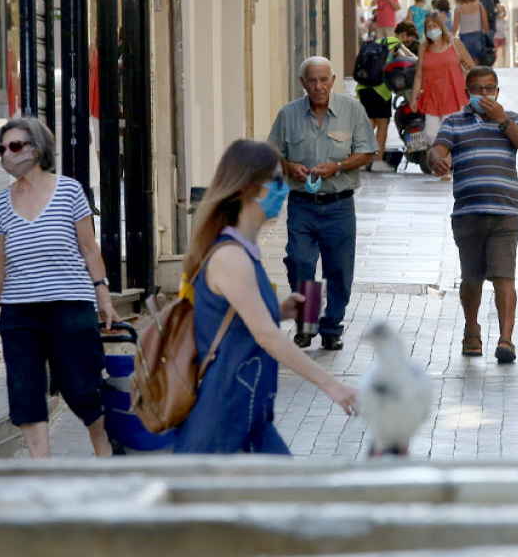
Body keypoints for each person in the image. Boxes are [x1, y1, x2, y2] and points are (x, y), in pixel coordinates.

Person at [173, 139, 358, 454]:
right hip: (224, 418)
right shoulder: (231, 257)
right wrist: (331, 384)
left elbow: (238, 318)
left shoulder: (242, 250)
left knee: (284, 497)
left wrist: (283, 310)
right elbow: (266, 336)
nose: (283, 189)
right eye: (276, 181)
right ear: (249, 188)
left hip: (248, 413)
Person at [0, 116, 118, 459]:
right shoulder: (0, 204)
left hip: (70, 305)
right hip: (20, 313)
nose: (7, 155)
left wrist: (102, 292)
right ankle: (44, 471)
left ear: (38, 148)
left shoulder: (69, 190)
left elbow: (89, 247)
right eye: (2, 149)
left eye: (15, 146)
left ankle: (105, 452)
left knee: (82, 388)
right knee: (25, 395)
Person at [428, 66, 518, 363]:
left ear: (497, 92)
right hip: (468, 213)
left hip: (505, 212)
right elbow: (436, 150)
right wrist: (438, 160)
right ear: (467, 94)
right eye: (477, 89)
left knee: (504, 276)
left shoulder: (512, 119)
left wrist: (502, 120)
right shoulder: (454, 122)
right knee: (471, 277)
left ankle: (506, 339)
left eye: (489, 89)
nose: (484, 94)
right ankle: (471, 329)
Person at [267, 57, 378, 350]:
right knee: (300, 261)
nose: (318, 87)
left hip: (340, 206)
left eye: (323, 80)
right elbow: (272, 154)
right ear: (303, 83)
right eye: (312, 81)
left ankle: (332, 327)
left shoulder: (351, 110)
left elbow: (367, 152)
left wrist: (338, 166)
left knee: (339, 269)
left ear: (332, 79)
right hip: (302, 204)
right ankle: (307, 323)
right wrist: (290, 167)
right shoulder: (288, 114)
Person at [409, 12, 476, 169]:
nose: (432, 29)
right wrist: (414, 98)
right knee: (431, 134)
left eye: (435, 26)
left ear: (441, 27)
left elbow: (472, 65)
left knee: (450, 133)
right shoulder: (424, 48)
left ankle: (447, 165)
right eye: (429, 27)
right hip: (432, 95)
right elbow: (419, 74)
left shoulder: (455, 44)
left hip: (453, 93)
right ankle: (447, 161)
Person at [355, 32, 404, 173]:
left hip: (364, 87)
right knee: (382, 125)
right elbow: (403, 60)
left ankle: (361, 160)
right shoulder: (395, 42)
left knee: (369, 123)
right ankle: (377, 161)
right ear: (405, 35)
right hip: (380, 89)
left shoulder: (377, 43)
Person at [452, 0, 489, 65]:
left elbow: (455, 27)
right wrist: (486, 33)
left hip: (464, 37)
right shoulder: (479, 6)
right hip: (477, 35)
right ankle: (477, 75)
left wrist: (451, 38)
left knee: (466, 60)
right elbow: (485, 23)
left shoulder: (458, 9)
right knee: (477, 59)